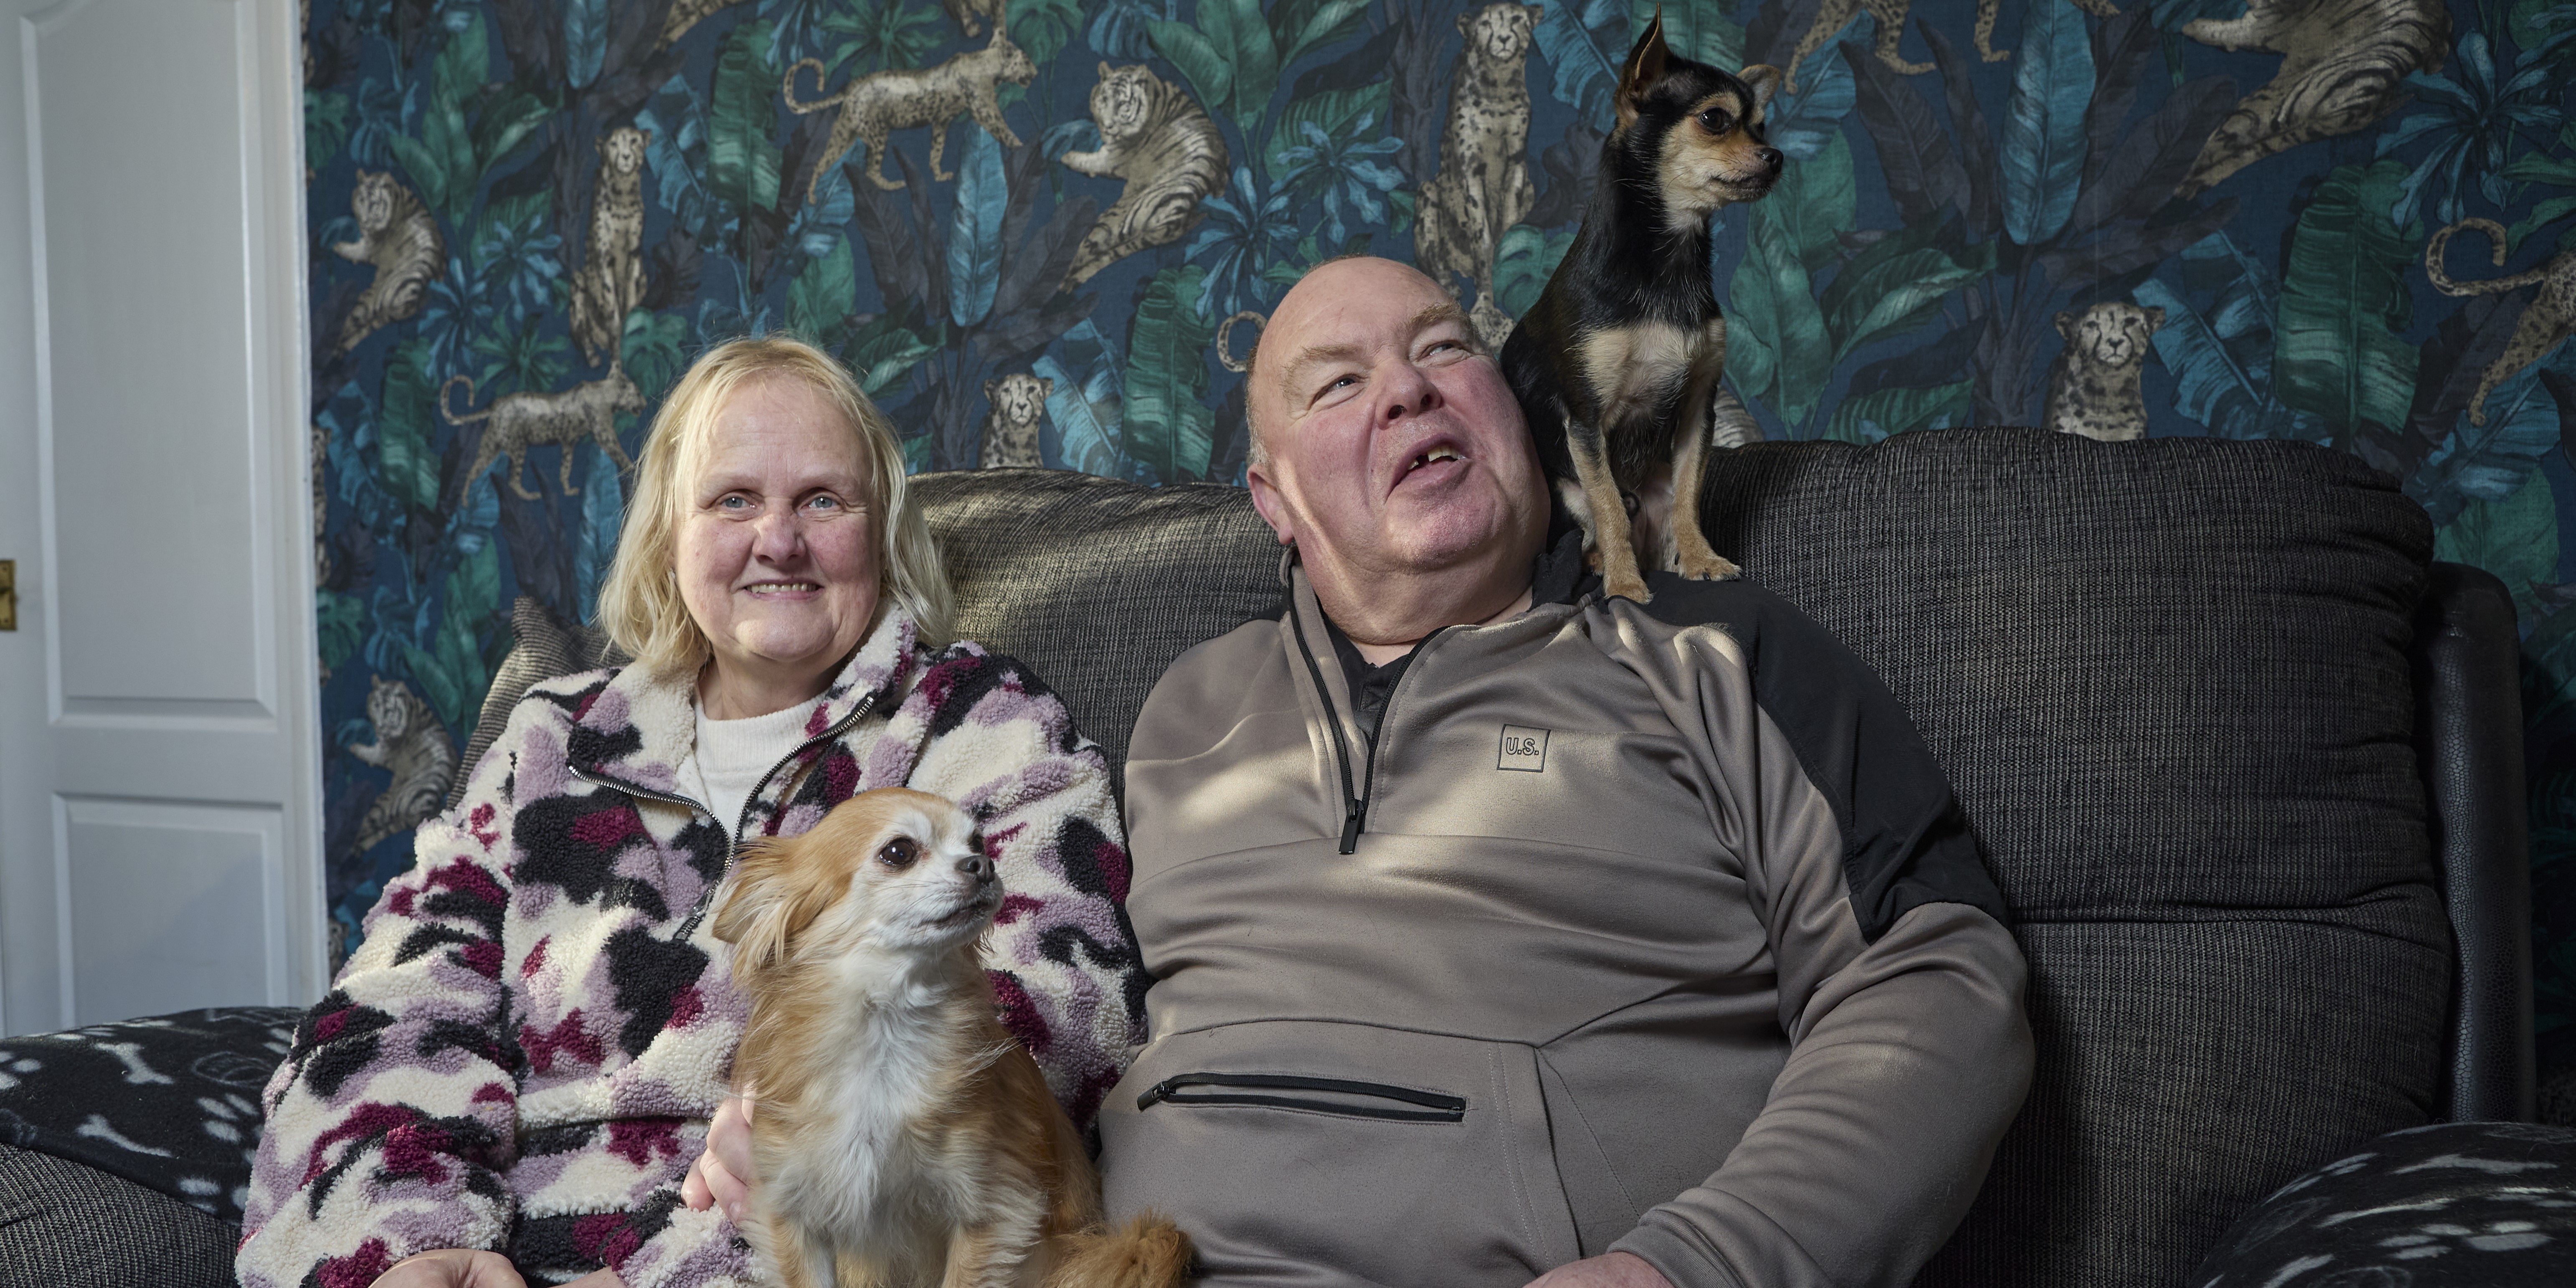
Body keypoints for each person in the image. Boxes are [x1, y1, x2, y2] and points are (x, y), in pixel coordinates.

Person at [689, 258, 2035, 1288]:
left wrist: (1693, 1261)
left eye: (1445, 350)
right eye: (1339, 382)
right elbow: (1033, 1028)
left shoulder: (1710, 652)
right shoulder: (1182, 709)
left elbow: (1940, 983)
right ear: (1273, 500)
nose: (1407, 389)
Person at [236, 336, 1147, 1288]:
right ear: (671, 538)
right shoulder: (551, 742)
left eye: (823, 501)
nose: (779, 540)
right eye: (733, 500)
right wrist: (418, 1242)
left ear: (881, 533)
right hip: (506, 1239)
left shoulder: (981, 725)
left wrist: (805, 1137)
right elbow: (392, 1009)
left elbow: (1068, 1004)